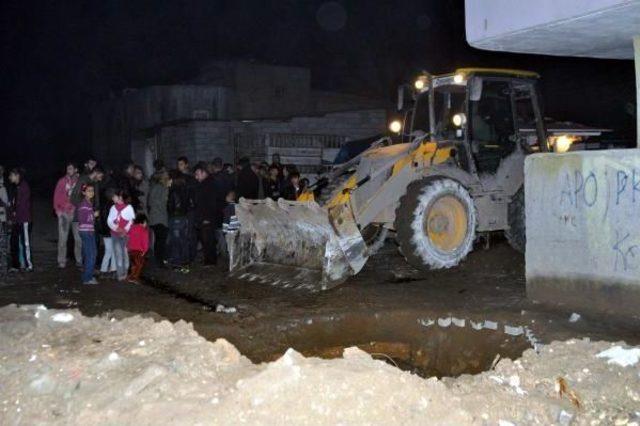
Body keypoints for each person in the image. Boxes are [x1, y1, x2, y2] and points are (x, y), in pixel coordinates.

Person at [53, 162, 81, 268]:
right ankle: (61, 260)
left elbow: (84, 195)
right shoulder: (61, 181)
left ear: (75, 170)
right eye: (67, 169)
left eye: (70, 169)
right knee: (62, 238)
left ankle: (79, 259)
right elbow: (56, 196)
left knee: (78, 239)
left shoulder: (79, 182)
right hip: (64, 214)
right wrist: (58, 211)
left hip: (76, 214)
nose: (68, 171)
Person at [194, 164, 222, 266]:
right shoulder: (205, 184)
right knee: (206, 240)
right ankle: (209, 260)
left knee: (208, 240)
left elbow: (211, 203)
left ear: (203, 172)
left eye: (197, 174)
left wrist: (207, 218)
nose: (196, 177)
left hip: (207, 218)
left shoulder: (209, 184)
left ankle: (210, 261)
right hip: (204, 217)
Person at [107, 189, 135, 281]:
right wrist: (116, 228)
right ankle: (120, 273)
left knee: (125, 253)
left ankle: (125, 272)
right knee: (118, 253)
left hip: (125, 235)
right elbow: (109, 220)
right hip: (115, 234)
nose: (112, 198)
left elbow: (132, 221)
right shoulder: (113, 208)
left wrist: (125, 230)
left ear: (120, 197)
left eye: (114, 196)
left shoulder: (129, 208)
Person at [167, 170, 193, 269]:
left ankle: (177, 261)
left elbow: (171, 206)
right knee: (183, 240)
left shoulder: (173, 190)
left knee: (176, 240)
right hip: (184, 217)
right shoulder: (185, 188)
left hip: (176, 217)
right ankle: (185, 260)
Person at [8, 168, 33, 271]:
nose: (10, 177)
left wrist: (15, 215)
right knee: (13, 241)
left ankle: (28, 265)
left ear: (17, 175)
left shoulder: (24, 187)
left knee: (25, 242)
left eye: (11, 175)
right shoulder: (16, 187)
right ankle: (15, 265)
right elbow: (14, 204)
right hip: (17, 220)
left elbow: (23, 206)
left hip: (24, 220)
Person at [77, 184, 99, 284]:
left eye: (92, 190)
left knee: (92, 254)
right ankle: (87, 278)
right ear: (84, 192)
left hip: (90, 231)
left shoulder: (89, 203)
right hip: (85, 232)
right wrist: (93, 215)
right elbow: (82, 219)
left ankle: (89, 275)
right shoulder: (83, 205)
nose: (91, 192)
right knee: (90, 254)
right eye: (89, 190)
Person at [148, 169, 169, 264]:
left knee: (159, 239)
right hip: (160, 217)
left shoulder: (154, 187)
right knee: (161, 240)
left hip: (155, 217)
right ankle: (160, 260)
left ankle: (159, 259)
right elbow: (163, 202)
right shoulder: (161, 188)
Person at [98, 187, 117, 277]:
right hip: (111, 231)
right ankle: (111, 269)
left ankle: (105, 269)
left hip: (106, 231)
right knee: (112, 250)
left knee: (109, 250)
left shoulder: (104, 205)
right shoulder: (112, 206)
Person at [127, 213, 149, 284]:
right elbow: (145, 241)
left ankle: (131, 277)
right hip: (138, 251)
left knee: (134, 265)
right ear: (144, 221)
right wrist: (145, 250)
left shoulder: (131, 228)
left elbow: (128, 237)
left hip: (130, 250)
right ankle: (134, 278)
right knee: (139, 265)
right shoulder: (143, 230)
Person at [0, 166, 9, 276]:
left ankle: (3, 267)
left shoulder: (3, 187)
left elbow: (6, 203)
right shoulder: (2, 188)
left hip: (2, 218)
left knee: (2, 244)